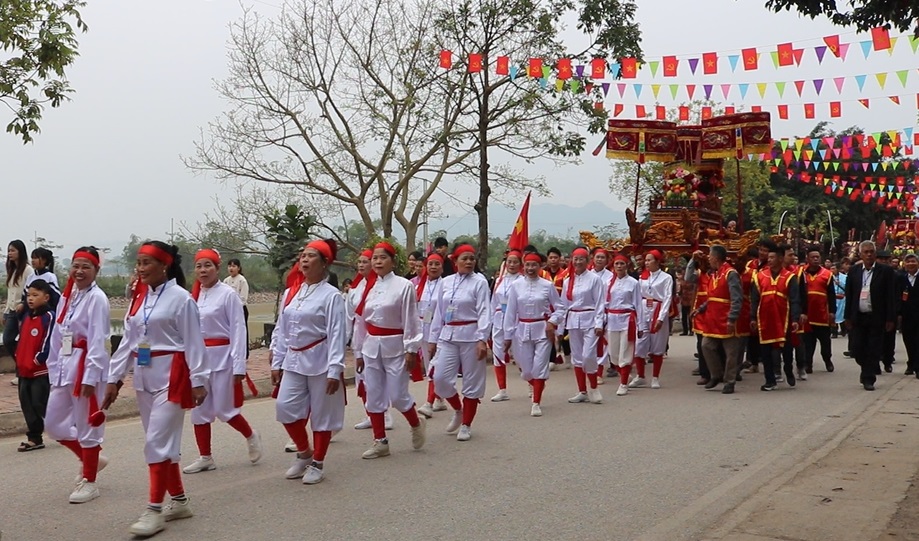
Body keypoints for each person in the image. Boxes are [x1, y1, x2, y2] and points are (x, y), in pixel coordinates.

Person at [104, 241, 208, 537]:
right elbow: (128, 341)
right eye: (138, 263)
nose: (140, 268)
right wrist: (115, 378)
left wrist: (199, 380)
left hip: (172, 376)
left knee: (156, 442)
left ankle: (153, 510)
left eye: (146, 263)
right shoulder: (139, 299)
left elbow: (194, 342)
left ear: (164, 265)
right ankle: (179, 501)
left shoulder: (182, 299)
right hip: (144, 376)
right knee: (158, 440)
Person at [271, 239, 347, 484]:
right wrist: (277, 361)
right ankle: (304, 453)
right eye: (302, 255)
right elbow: (282, 329)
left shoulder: (332, 295)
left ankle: (318, 462)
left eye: (311, 255)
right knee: (285, 408)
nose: (304, 259)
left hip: (320, 360)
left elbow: (337, 333)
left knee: (322, 414)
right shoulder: (292, 292)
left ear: (324, 263)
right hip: (293, 359)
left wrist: (335, 369)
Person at [183, 249, 262, 475]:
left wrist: (239, 364)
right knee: (199, 409)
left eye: (207, 265)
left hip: (223, 357)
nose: (203, 270)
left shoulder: (228, 294)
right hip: (199, 360)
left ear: (217, 268)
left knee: (224, 409)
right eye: (198, 266)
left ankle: (251, 435)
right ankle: (205, 456)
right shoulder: (193, 297)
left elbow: (238, 329)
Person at [350, 241, 426, 459]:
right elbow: (361, 322)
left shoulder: (404, 286)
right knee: (373, 395)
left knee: (398, 396)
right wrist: (358, 351)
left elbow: (411, 319)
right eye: (374, 258)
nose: (377, 261)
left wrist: (411, 349)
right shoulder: (368, 288)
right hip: (371, 347)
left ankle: (415, 423)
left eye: (383, 257)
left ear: (393, 261)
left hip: (396, 347)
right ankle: (380, 441)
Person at [429, 244, 491, 441]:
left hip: (471, 336)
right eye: (464, 258)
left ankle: (466, 424)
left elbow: (484, 311)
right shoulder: (445, 282)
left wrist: (483, 338)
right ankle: (458, 409)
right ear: (454, 261)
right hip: (448, 335)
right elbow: (438, 312)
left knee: (472, 382)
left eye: (472, 259)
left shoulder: (479, 282)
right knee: (440, 379)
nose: (469, 262)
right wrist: (433, 338)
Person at [503, 252, 560, 416]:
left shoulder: (547, 285)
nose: (530, 268)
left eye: (534, 265)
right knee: (527, 371)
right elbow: (511, 312)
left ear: (540, 266)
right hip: (522, 330)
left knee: (539, 367)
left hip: (542, 330)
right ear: (523, 266)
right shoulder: (516, 286)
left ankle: (536, 402)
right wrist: (508, 335)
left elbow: (560, 307)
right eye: (527, 265)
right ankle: (537, 384)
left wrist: (552, 322)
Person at [551, 247, 604, 404]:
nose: (578, 262)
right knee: (577, 357)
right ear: (571, 261)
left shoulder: (594, 279)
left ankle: (593, 387)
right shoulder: (568, 281)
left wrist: (599, 322)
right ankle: (582, 391)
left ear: (587, 261)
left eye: (581, 259)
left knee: (588, 355)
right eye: (575, 259)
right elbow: (563, 305)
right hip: (573, 320)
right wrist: (560, 328)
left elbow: (600, 302)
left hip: (590, 319)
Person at [348, 249, 394, 432]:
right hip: (359, 337)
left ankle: (386, 414)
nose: (361, 265)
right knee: (362, 378)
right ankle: (371, 413)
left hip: (375, 336)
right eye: (359, 262)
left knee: (376, 378)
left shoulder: (379, 287)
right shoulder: (355, 289)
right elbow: (348, 316)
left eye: (365, 261)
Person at [845, 241, 897, 391]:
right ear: (860, 254)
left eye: (871, 252)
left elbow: (890, 296)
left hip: (877, 316)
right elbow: (849, 295)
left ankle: (868, 378)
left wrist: (890, 318)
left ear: (875, 254)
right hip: (858, 316)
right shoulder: (854, 271)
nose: (868, 255)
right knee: (857, 349)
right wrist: (847, 316)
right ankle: (865, 368)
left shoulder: (885, 272)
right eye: (865, 252)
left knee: (873, 349)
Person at [694, 246, 743, 394]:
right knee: (706, 346)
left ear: (715, 257)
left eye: (710, 256)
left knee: (731, 353)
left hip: (726, 318)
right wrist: (701, 308)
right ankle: (716, 375)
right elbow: (712, 297)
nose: (708, 258)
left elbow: (737, 298)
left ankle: (730, 381)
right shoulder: (714, 274)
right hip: (712, 319)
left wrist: (732, 318)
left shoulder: (731, 273)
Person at [751, 245, 800, 391]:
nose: (769, 260)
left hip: (784, 317)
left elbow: (795, 299)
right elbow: (754, 299)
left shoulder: (790, 277)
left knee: (786, 349)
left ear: (780, 258)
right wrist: (752, 317)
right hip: (765, 317)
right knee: (765, 350)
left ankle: (789, 370)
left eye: (773, 257)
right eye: (769, 257)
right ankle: (769, 380)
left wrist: (795, 318)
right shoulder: (759, 276)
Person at [15, 279, 55, 452]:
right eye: (28, 295)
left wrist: (39, 359)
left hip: (39, 370)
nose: (30, 299)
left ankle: (67, 426)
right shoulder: (26, 316)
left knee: (40, 402)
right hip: (23, 368)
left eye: (35, 295)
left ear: (46, 297)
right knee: (27, 403)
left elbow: (49, 341)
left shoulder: (49, 317)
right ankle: (34, 437)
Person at [628, 250, 674, 389]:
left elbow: (667, 298)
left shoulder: (666, 278)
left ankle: (655, 377)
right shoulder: (642, 277)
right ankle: (640, 376)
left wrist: (661, 317)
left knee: (658, 345)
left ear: (657, 261)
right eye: (645, 260)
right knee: (640, 343)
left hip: (657, 309)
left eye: (649, 260)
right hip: (643, 310)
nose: (646, 263)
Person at [603, 254, 641, 397]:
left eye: (622, 264)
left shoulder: (633, 283)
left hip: (627, 319)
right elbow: (603, 303)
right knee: (613, 354)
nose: (619, 266)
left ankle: (623, 383)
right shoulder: (608, 283)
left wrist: (641, 326)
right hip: (612, 319)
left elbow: (638, 304)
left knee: (626, 351)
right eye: (617, 264)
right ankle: (624, 374)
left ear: (627, 266)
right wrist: (601, 322)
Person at [490, 250, 522, 402]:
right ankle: (502, 389)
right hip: (498, 319)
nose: (512, 265)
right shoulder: (499, 281)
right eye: (509, 261)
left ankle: (531, 384)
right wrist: (489, 322)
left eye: (515, 262)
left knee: (521, 354)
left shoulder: (523, 281)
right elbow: (493, 302)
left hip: (516, 320)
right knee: (498, 353)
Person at [416, 253, 446, 418]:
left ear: (442, 267)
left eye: (437, 264)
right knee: (429, 366)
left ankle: (429, 402)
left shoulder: (446, 285)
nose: (433, 267)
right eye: (431, 264)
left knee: (435, 365)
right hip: (423, 328)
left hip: (439, 329)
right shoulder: (420, 285)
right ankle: (439, 399)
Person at [800, 247, 836, 376]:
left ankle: (827, 360)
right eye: (813, 257)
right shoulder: (801, 273)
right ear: (807, 259)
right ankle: (807, 364)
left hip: (822, 314)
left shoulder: (827, 274)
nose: (815, 259)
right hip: (807, 315)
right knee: (808, 342)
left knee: (825, 341)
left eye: (817, 257)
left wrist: (832, 311)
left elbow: (831, 295)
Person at [5, 239, 34, 383]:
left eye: (13, 250)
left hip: (23, 311)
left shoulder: (28, 270)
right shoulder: (12, 269)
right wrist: (5, 311)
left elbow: (31, 290)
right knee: (8, 340)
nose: (10, 253)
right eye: (9, 250)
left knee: (20, 341)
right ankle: (22, 367)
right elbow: (10, 291)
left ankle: (23, 370)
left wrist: (24, 303)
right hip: (11, 310)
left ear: (20, 252)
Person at [544, 247, 571, 371]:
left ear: (560, 259)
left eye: (556, 257)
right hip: (547, 306)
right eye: (551, 257)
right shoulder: (542, 273)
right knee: (549, 332)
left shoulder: (566, 273)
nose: (553, 260)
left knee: (564, 332)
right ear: (547, 259)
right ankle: (551, 358)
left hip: (562, 305)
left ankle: (568, 356)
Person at [591, 248, 613, 384]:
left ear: (607, 260)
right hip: (589, 312)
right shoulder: (587, 275)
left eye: (602, 257)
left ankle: (599, 371)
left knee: (603, 343)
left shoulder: (611, 276)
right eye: (597, 257)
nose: (599, 260)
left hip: (605, 311)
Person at [223, 258, 250, 359]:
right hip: (228, 311)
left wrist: (235, 305)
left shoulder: (242, 280)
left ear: (238, 268)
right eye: (230, 266)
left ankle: (244, 354)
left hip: (241, 309)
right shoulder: (226, 281)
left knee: (242, 332)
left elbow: (243, 297)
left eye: (234, 266)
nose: (231, 268)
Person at [897, 253, 919, 377]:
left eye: (913, 261)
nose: (911, 264)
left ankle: (917, 366)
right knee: (908, 340)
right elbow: (897, 297)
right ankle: (911, 363)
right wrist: (898, 313)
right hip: (906, 315)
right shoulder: (901, 278)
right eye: (908, 261)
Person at [877, 250, 897, 371]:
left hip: (889, 310)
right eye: (881, 259)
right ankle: (874, 364)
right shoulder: (871, 273)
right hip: (874, 311)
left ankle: (887, 361)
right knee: (875, 340)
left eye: (886, 259)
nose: (883, 262)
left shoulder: (895, 275)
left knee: (889, 339)